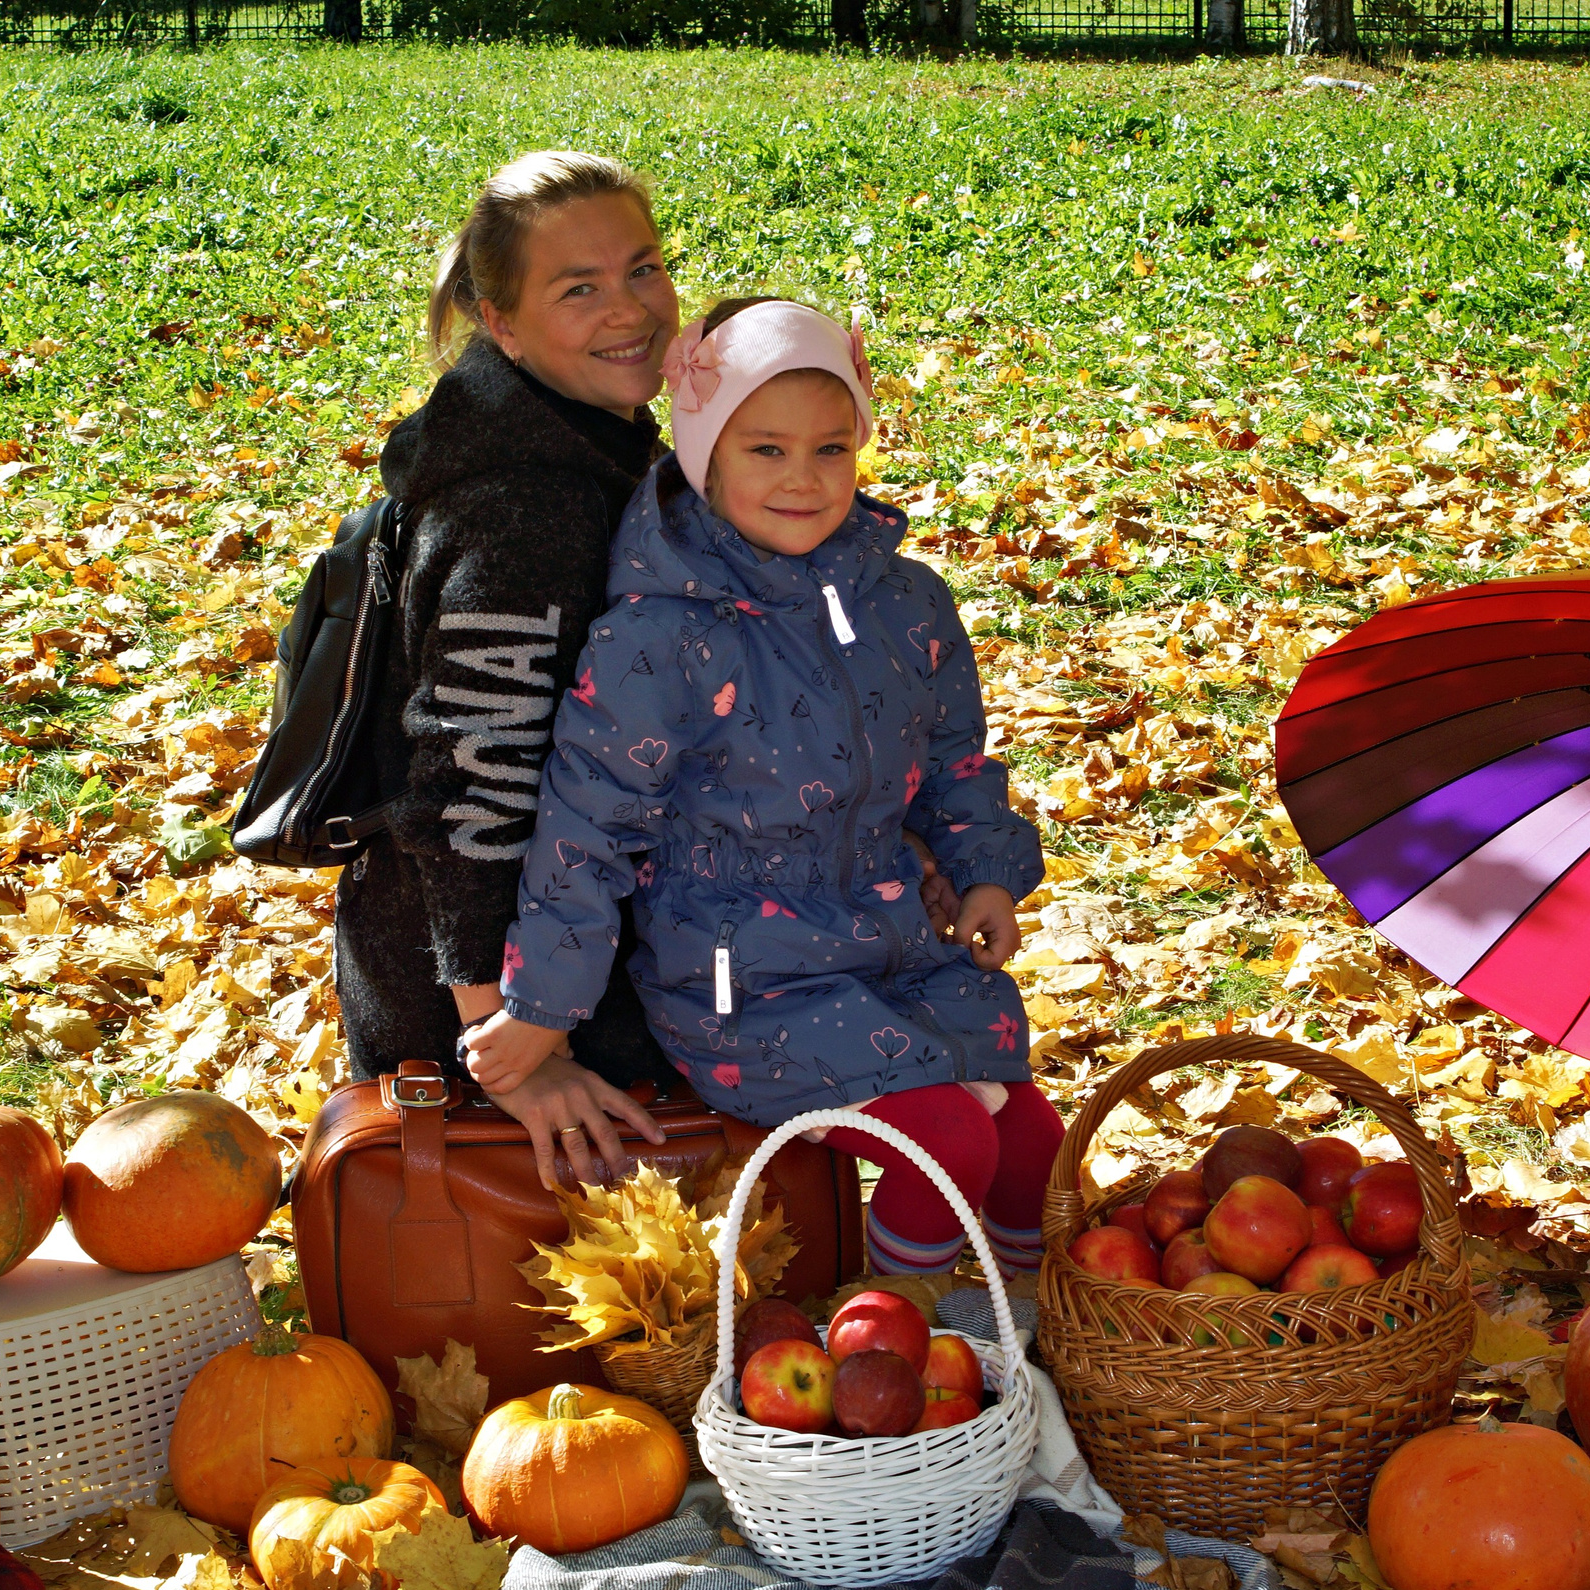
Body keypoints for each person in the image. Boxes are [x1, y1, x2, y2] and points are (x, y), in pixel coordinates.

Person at [463, 298, 1065, 1275]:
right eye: (766, 450)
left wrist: (983, 873)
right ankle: (896, 1340)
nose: (802, 479)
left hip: (897, 937)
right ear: (705, 454)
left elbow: (954, 760)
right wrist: (543, 1008)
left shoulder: (905, 604)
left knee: (1032, 1148)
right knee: (949, 1143)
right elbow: (587, 829)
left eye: (831, 450)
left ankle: (1039, 1328)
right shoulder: (659, 641)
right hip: (745, 976)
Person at [334, 149, 682, 1193]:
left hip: (565, 949)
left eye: (643, 268)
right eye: (578, 289)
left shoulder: (589, 437)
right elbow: (470, 781)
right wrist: (512, 1047)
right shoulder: (521, 508)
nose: (631, 309)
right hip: (492, 989)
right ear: (503, 323)